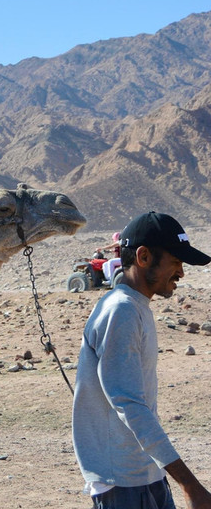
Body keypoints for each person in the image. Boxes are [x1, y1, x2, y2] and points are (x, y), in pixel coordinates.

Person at [72, 211, 211, 509]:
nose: (182, 273)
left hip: (145, 473)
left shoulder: (135, 306)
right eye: (176, 262)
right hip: (122, 482)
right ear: (144, 256)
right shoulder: (121, 310)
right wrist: (190, 484)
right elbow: (130, 404)